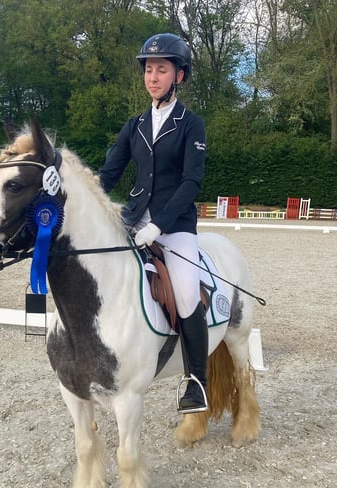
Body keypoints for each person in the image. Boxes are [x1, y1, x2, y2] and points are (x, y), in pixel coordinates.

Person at [98, 32, 209, 414]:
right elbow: (109, 174)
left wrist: (159, 225)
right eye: (148, 69)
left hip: (174, 226)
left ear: (179, 76)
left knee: (184, 292)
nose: (153, 76)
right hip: (131, 220)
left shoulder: (191, 124)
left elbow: (191, 182)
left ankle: (196, 382)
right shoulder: (134, 125)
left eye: (161, 69)